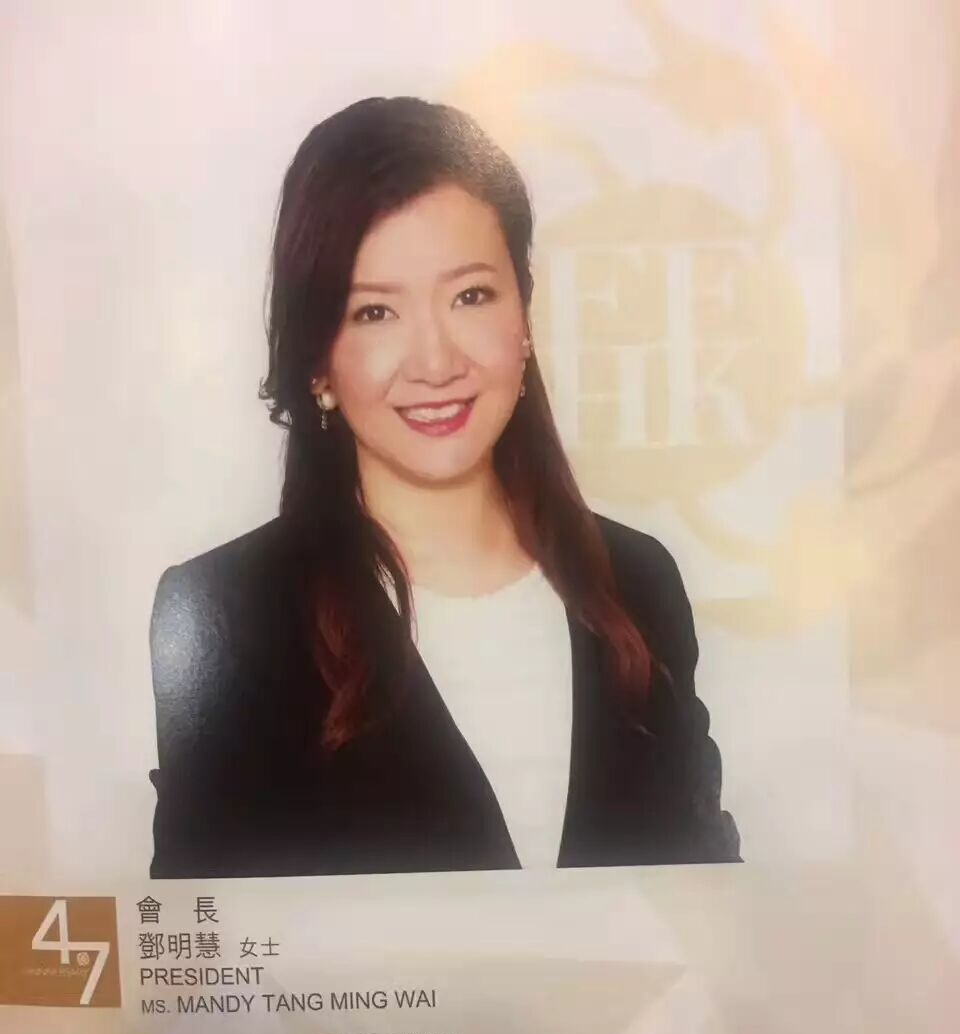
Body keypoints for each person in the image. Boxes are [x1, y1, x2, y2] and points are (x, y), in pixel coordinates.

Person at [148, 96, 740, 878]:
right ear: (317, 362)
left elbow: (710, 898)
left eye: (470, 296)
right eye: (374, 312)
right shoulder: (228, 615)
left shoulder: (636, 582)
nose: (435, 362)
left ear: (524, 316)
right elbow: (213, 939)